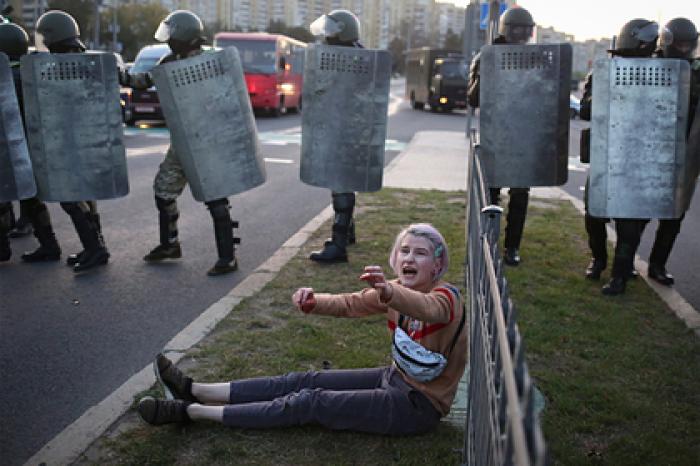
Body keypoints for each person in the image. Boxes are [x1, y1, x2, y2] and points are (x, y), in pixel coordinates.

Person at [136, 223, 467, 435]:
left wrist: (390, 292)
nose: (410, 258)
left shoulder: (447, 299)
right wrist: (314, 302)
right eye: (404, 251)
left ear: (437, 265)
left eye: (421, 253)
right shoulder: (392, 290)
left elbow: (427, 308)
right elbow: (352, 302)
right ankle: (197, 388)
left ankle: (190, 412)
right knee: (302, 381)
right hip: (393, 378)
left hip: (418, 406)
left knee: (311, 402)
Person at [121, 10, 239, 276]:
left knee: (215, 196)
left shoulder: (212, 60)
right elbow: (142, 81)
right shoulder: (170, 60)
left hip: (210, 138)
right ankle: (170, 245)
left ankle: (228, 256)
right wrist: (119, 74)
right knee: (163, 190)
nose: (168, 40)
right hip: (183, 141)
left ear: (182, 34)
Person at [579, 19, 659, 295]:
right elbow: (586, 110)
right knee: (593, 216)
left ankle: (620, 275)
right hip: (606, 154)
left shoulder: (660, 71)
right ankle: (598, 259)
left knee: (630, 224)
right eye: (643, 42)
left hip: (639, 159)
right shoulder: (604, 71)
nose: (648, 47)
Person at [26, 10, 110, 272]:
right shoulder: (81, 60)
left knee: (71, 196)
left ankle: (95, 249)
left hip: (72, 139)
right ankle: (95, 247)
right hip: (83, 138)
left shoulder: (67, 64)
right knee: (83, 195)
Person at [467, 6, 535, 266]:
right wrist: (487, 72)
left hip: (522, 136)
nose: (522, 35)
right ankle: (489, 242)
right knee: (491, 193)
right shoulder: (487, 56)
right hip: (495, 133)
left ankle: (512, 247)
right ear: (508, 30)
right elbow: (473, 98)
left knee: (520, 194)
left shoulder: (534, 58)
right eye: (518, 29)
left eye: (526, 30)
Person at [0, 21, 61, 264]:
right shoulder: (31, 73)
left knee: (3, 197)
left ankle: (2, 248)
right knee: (31, 199)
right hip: (30, 144)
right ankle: (49, 244)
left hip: (6, 144)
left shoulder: (5, 77)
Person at [644, 17, 699, 286]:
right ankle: (625, 262)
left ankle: (657, 264)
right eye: (679, 43)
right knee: (638, 210)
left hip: (687, 150)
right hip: (650, 147)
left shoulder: (697, 71)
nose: (684, 48)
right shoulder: (650, 66)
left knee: (675, 214)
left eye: (689, 44)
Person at [307, 9, 362, 263]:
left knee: (341, 185)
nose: (326, 36)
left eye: (331, 31)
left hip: (347, 130)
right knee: (342, 183)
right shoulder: (356, 54)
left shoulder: (352, 59)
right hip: (344, 128)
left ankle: (338, 245)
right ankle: (347, 233)